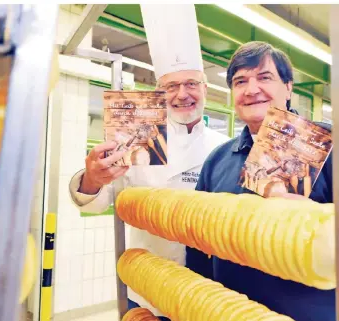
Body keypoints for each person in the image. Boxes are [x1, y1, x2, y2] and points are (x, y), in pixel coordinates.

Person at [68, 4, 229, 320]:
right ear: (159, 91)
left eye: (191, 83)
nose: (183, 94)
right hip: (145, 292)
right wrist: (93, 178)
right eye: (171, 85)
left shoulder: (225, 149)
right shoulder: (137, 140)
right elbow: (97, 201)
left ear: (205, 88)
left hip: (204, 296)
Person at [186, 41, 334, 321]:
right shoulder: (217, 160)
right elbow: (197, 244)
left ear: (288, 87)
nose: (252, 89)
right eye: (240, 81)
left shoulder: (328, 144)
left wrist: (312, 217)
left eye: (264, 77)